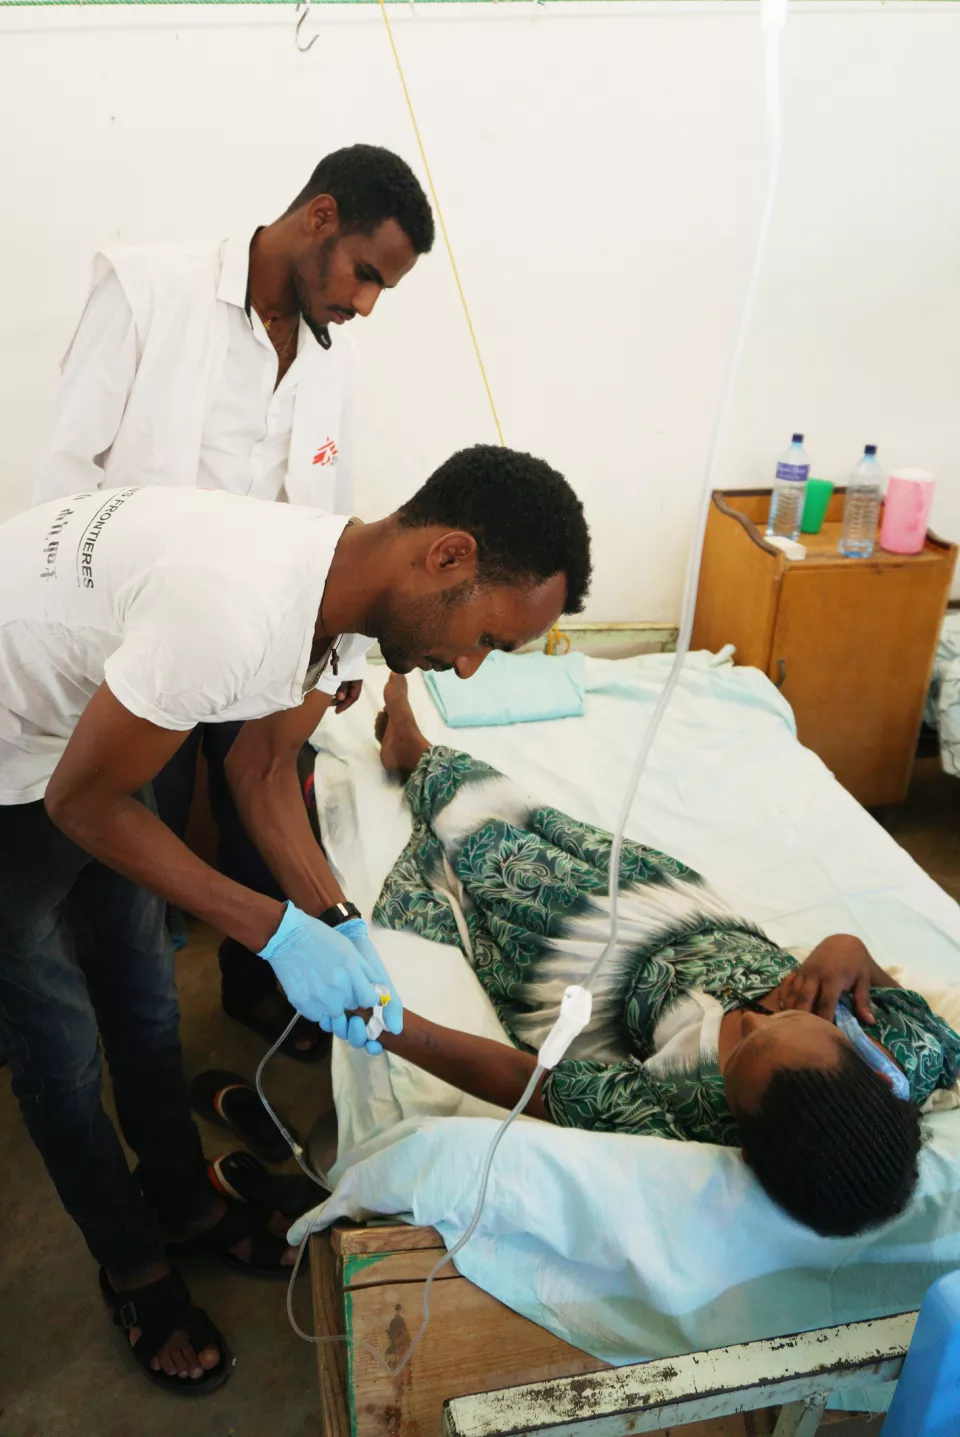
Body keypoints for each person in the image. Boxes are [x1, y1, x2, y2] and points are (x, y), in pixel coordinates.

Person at [0, 445, 592, 1392]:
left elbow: (261, 770)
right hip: (15, 762)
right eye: (486, 636)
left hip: (80, 733)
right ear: (448, 556)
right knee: (59, 1046)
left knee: (148, 997)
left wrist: (337, 918)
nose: (470, 669)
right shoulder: (230, 611)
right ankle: (134, 1261)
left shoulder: (351, 605)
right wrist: (273, 931)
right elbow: (82, 805)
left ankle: (186, 1206)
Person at [33, 144, 435, 1059]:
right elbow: (64, 473)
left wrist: (354, 663)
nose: (365, 303)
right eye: (365, 274)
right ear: (320, 217)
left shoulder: (331, 361)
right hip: (149, 639)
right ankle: (134, 1016)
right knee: (142, 835)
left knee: (271, 810)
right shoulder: (147, 292)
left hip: (265, 642)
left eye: (383, 291)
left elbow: (336, 519)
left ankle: (263, 993)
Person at [362, 674, 960, 1238]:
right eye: (789, 1019)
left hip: (593, 959)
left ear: (743, 1146)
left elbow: (527, 1082)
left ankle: (414, 754)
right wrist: (844, 951)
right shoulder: (910, 1048)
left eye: (745, 1042)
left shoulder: (678, 1114)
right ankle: (421, 755)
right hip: (690, 912)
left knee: (499, 856)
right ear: (874, 1070)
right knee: (554, 824)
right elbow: (876, 980)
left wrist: (389, 1024)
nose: (749, 1013)